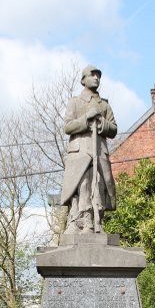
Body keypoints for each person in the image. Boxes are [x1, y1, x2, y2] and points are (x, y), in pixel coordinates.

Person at [59, 65, 117, 233]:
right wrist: (86, 118)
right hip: (80, 153)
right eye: (92, 75)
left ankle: (95, 219)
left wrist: (102, 123)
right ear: (83, 80)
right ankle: (79, 220)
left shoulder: (104, 105)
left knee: (98, 183)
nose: (96, 78)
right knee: (81, 184)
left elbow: (113, 129)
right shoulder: (74, 102)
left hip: (98, 152)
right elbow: (68, 127)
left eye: (98, 76)